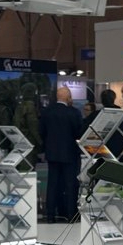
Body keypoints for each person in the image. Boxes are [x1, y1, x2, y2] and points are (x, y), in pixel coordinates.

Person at [40, 86, 83, 222]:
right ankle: (71, 215)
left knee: (52, 184)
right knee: (70, 184)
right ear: (68, 97)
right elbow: (79, 133)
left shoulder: (47, 112)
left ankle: (50, 215)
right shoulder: (74, 113)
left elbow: (42, 132)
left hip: (52, 154)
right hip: (70, 154)